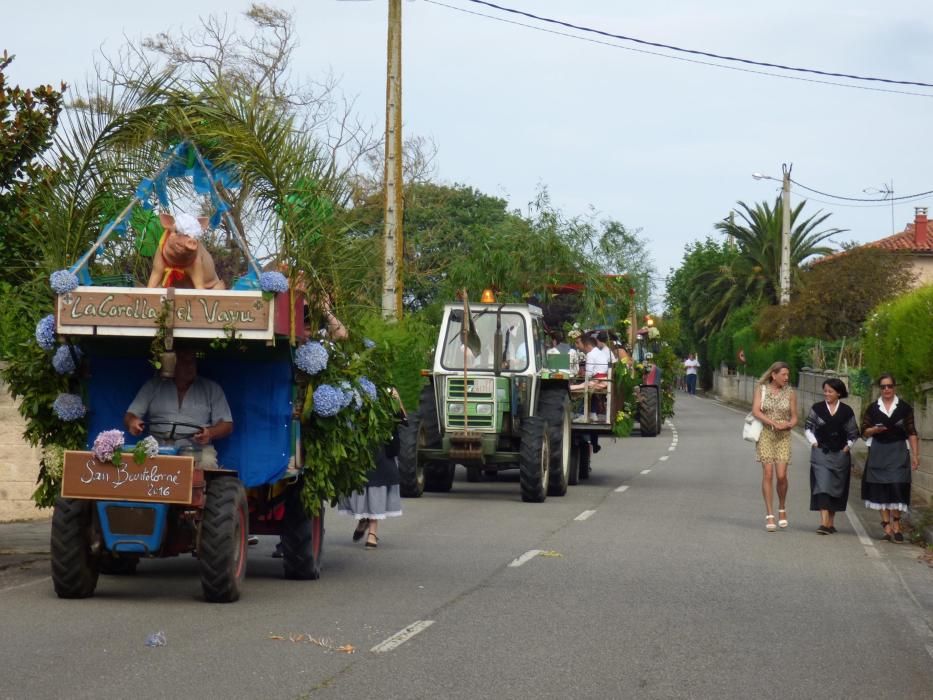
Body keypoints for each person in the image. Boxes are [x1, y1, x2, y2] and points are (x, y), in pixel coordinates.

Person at [124, 348, 233, 468]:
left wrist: (210, 433)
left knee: (207, 462)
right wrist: (133, 422)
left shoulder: (212, 388)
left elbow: (227, 425)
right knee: (135, 463)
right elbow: (130, 415)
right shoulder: (153, 385)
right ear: (171, 365)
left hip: (195, 448)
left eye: (192, 362)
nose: (190, 366)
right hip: (156, 446)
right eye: (184, 362)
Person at [338, 389, 406, 549]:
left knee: (377, 484)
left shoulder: (386, 387)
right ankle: (363, 519)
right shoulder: (352, 385)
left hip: (380, 446)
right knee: (359, 484)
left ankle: (372, 533)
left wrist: (396, 399)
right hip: (357, 443)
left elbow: (402, 417)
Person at [860, 374, 921, 543]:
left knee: (897, 486)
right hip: (878, 451)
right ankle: (886, 526)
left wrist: (916, 455)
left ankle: (896, 523)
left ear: (895, 387)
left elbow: (912, 432)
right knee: (880, 487)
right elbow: (863, 431)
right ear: (880, 389)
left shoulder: (905, 408)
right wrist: (873, 430)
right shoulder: (872, 408)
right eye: (883, 387)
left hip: (898, 451)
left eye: (889, 386)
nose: (886, 389)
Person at [805, 377, 859, 535]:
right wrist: (814, 442)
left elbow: (853, 432)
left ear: (839, 393)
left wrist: (847, 447)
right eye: (825, 391)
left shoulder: (846, 411)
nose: (826, 394)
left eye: (830, 391)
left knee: (836, 486)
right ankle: (823, 523)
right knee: (822, 485)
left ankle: (830, 523)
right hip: (821, 453)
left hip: (840, 454)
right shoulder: (817, 408)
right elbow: (808, 427)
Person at [751, 361, 798, 532]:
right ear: (774, 375)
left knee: (782, 476)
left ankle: (782, 507)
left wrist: (788, 424)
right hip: (766, 434)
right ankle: (770, 514)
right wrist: (773, 423)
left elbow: (794, 417)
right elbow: (756, 411)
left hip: (783, 436)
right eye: (784, 374)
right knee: (768, 473)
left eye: (788, 374)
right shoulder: (761, 390)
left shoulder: (791, 393)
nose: (787, 377)